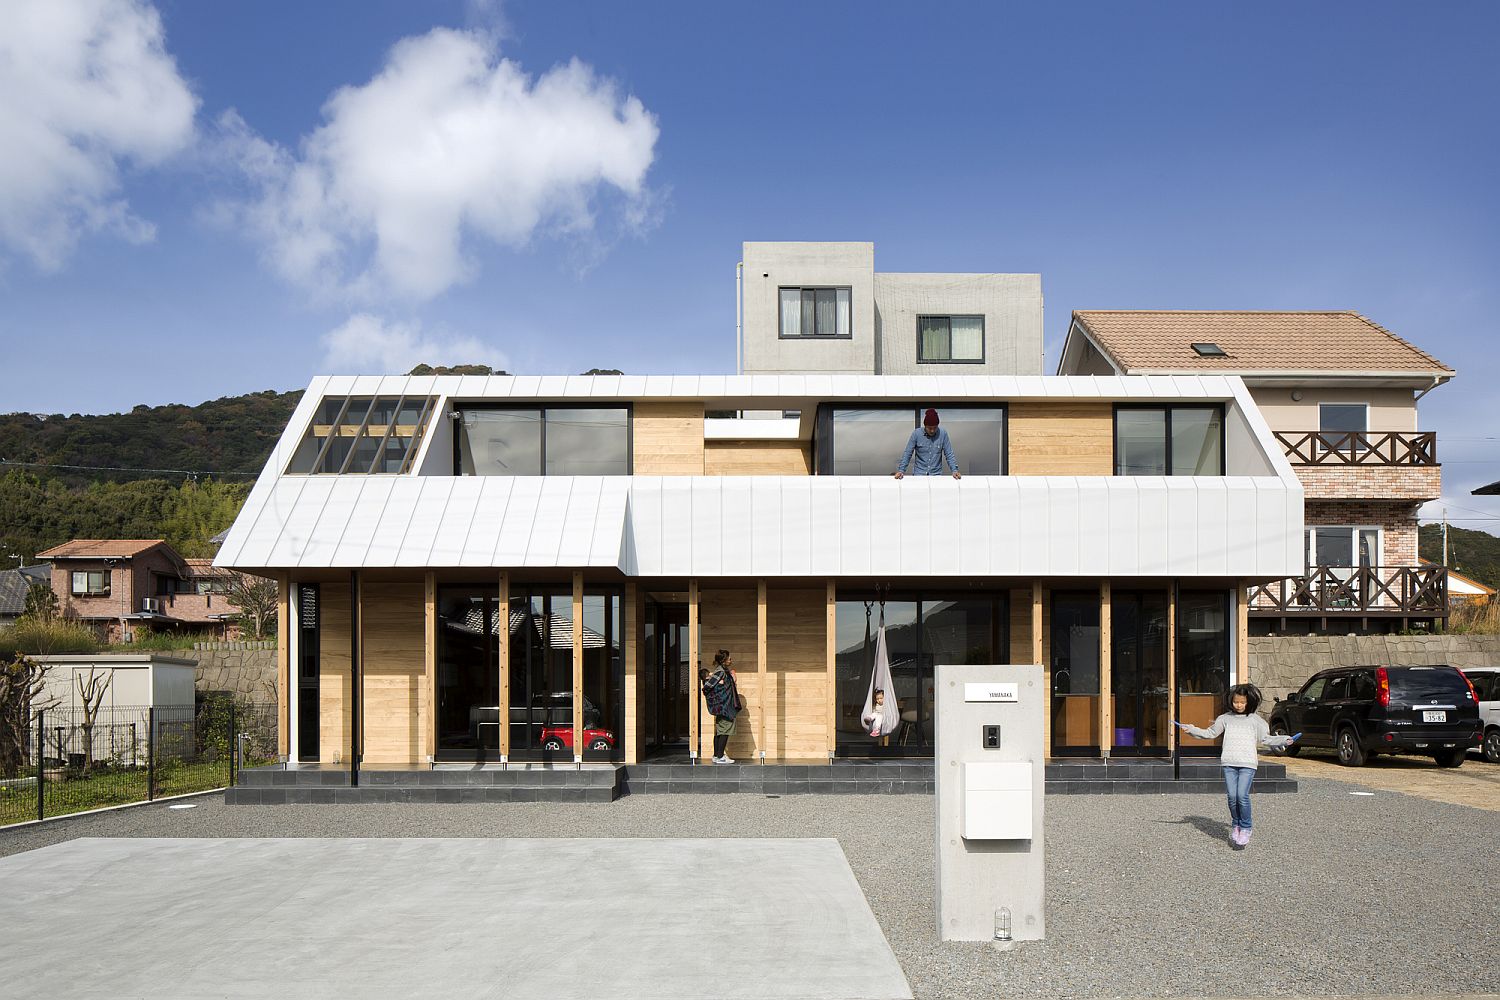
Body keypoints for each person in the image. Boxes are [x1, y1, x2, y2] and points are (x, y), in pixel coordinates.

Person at [1175, 683, 1300, 847]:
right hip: (1229, 763)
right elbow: (1210, 733)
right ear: (1231, 701)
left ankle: (1246, 827)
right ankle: (1236, 825)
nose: (1239, 705)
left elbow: (1266, 740)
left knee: (1242, 796)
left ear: (1249, 702)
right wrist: (1191, 729)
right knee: (1232, 798)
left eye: (1242, 702)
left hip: (1247, 764)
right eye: (1236, 702)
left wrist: (1285, 740)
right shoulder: (1224, 719)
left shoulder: (1256, 720)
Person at [894, 408, 961, 479]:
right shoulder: (916, 434)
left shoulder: (943, 434)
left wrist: (954, 470)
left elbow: (949, 454)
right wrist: (901, 470)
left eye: (935, 428)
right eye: (929, 428)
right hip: (919, 475)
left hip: (936, 476)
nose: (932, 431)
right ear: (925, 426)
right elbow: (907, 453)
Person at [701, 649, 742, 764]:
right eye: (729, 658)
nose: (731, 660)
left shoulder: (724, 671)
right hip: (724, 707)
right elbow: (707, 686)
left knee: (720, 731)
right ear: (724, 660)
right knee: (725, 730)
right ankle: (720, 757)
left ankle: (717, 755)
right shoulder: (720, 672)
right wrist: (719, 691)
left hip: (725, 706)